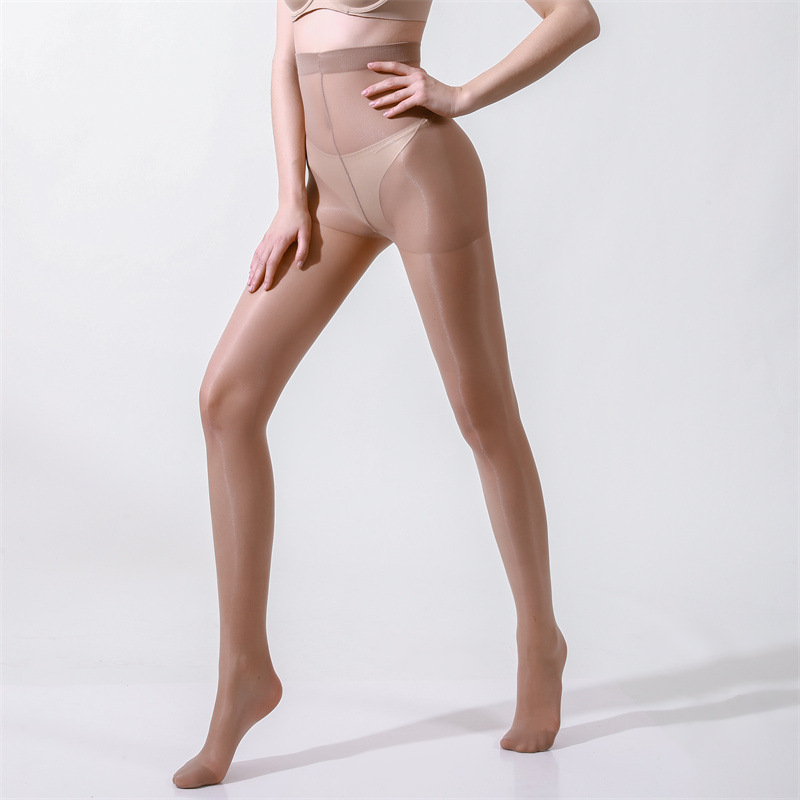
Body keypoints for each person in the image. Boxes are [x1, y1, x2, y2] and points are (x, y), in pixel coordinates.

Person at [173, 0, 600, 789]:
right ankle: (244, 672)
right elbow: (283, 58)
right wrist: (290, 196)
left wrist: (461, 95)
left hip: (413, 167)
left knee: (483, 416)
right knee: (227, 400)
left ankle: (540, 641)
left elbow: (575, 16)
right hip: (328, 195)